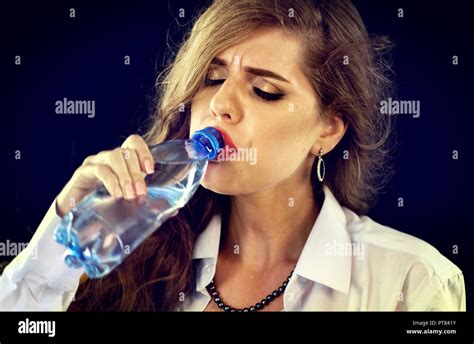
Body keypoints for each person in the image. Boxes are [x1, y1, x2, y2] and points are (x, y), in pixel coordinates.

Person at [0, 0, 465, 311]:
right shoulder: (133, 252)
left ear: (327, 129)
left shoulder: (412, 280)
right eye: (212, 77)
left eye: (264, 90)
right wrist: (62, 232)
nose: (221, 104)